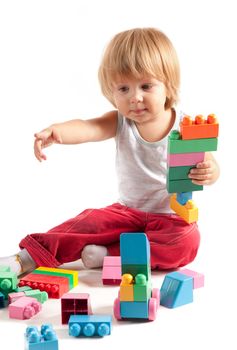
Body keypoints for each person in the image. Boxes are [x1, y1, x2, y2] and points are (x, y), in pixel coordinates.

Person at [0, 27, 220, 276]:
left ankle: (108, 255)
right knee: (87, 223)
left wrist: (210, 171)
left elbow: (207, 162)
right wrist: (58, 131)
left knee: (187, 241)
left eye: (146, 86)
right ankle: (23, 259)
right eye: (123, 89)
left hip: (169, 218)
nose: (135, 98)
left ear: (168, 86)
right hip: (126, 212)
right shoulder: (120, 121)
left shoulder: (185, 126)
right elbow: (89, 127)